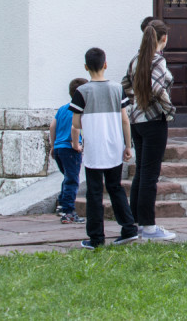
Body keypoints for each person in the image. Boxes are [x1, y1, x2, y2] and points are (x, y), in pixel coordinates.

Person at [70, 47, 138, 249]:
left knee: (94, 192)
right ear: (105, 65)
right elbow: (125, 119)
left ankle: (97, 237)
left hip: (94, 148)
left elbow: (76, 123)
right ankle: (128, 228)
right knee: (115, 187)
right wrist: (128, 145)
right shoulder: (117, 89)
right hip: (114, 145)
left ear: (85, 67)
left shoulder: (82, 92)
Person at [122, 19, 176, 242]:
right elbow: (157, 88)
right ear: (163, 38)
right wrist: (169, 108)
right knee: (150, 175)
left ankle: (136, 221)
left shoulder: (136, 60)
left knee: (141, 173)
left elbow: (125, 85)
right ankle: (149, 226)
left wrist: (136, 101)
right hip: (154, 120)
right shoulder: (158, 61)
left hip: (137, 121)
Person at [50, 78, 88, 224]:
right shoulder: (79, 110)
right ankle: (68, 211)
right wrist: (76, 144)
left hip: (59, 148)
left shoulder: (62, 108)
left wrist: (53, 146)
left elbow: (52, 127)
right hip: (71, 149)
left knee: (67, 177)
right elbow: (75, 127)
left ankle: (61, 204)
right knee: (72, 179)